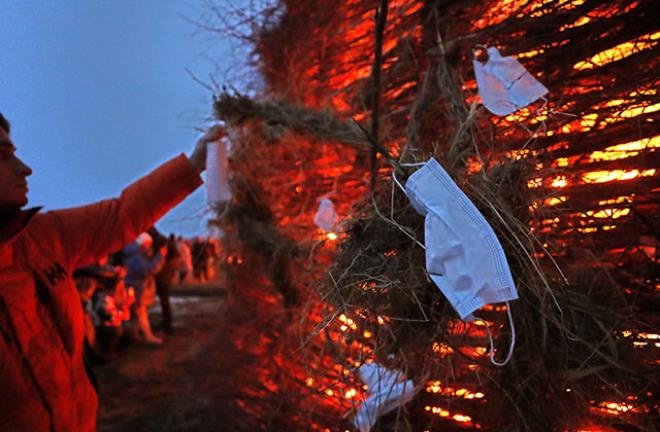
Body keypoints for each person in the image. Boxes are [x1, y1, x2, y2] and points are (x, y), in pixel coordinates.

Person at [0, 111, 222, 432]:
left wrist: (195, 163)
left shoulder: (40, 239)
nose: (25, 169)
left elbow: (121, 216)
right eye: (3, 156)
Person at [123, 232, 165, 344]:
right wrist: (160, 256)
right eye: (148, 244)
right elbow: (148, 270)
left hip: (136, 289)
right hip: (136, 290)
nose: (150, 247)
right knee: (140, 313)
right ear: (142, 244)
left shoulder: (135, 255)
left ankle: (135, 336)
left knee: (137, 314)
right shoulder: (135, 257)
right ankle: (147, 336)